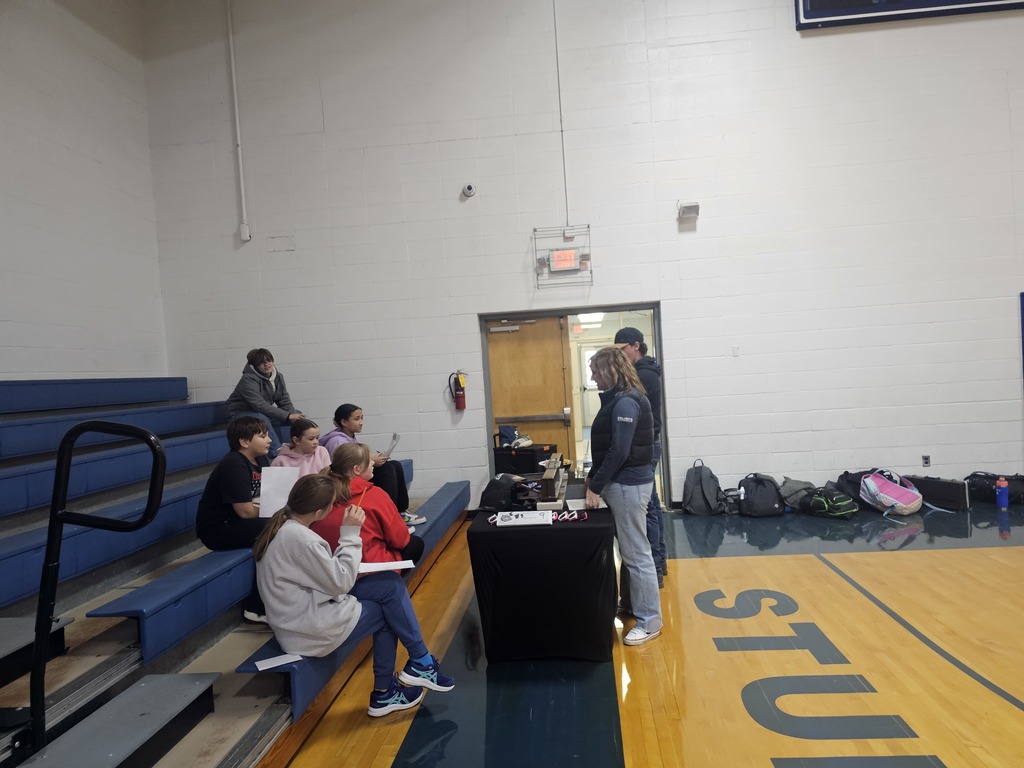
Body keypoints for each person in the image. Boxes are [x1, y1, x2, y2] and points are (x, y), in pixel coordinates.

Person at [253, 474, 454, 717]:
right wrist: (349, 534)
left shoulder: (287, 528)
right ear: (320, 510)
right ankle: (386, 690)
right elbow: (340, 582)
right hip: (306, 629)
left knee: (389, 583)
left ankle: (418, 664)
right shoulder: (300, 538)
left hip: (303, 613)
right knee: (388, 612)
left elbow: (325, 578)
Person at [584, 346, 662, 646]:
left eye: (595, 371)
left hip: (628, 486)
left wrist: (596, 485)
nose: (592, 377)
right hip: (625, 484)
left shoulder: (627, 402)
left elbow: (620, 450)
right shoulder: (621, 398)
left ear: (609, 370)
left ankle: (650, 619)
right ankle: (632, 605)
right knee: (631, 553)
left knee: (636, 554)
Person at [195, 416, 272, 622]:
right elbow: (245, 512)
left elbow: (270, 496)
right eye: (263, 436)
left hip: (242, 522)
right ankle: (257, 608)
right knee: (274, 528)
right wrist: (275, 510)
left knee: (284, 524)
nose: (269, 440)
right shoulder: (234, 465)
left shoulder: (261, 459)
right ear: (244, 442)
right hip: (219, 529)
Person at [614, 327, 667, 587]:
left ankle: (654, 569)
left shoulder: (644, 374)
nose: (620, 355)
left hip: (645, 447)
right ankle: (659, 565)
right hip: (647, 445)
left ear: (636, 345)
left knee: (648, 511)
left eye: (622, 349)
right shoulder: (645, 372)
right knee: (652, 506)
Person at [313, 442, 425, 566]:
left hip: (329, 565)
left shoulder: (319, 495)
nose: (372, 462)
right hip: (366, 567)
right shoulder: (374, 495)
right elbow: (400, 540)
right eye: (368, 460)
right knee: (415, 544)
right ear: (356, 469)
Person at [320, 403, 423, 528]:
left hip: (357, 472)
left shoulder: (351, 436)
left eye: (362, 418)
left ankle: (400, 511)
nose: (361, 422)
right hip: (348, 478)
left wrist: (373, 458)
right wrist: (370, 460)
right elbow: (345, 465)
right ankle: (391, 515)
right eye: (356, 419)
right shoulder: (336, 441)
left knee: (395, 465)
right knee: (387, 469)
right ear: (344, 422)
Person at [225, 348, 304, 454]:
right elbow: (259, 405)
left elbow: (283, 399)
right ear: (254, 366)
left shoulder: (278, 376)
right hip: (239, 414)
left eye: (269, 360)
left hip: (260, 413)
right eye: (262, 363)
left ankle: (300, 447)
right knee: (261, 419)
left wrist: (292, 415)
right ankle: (276, 454)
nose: (267, 364)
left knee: (297, 414)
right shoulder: (248, 379)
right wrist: (287, 415)